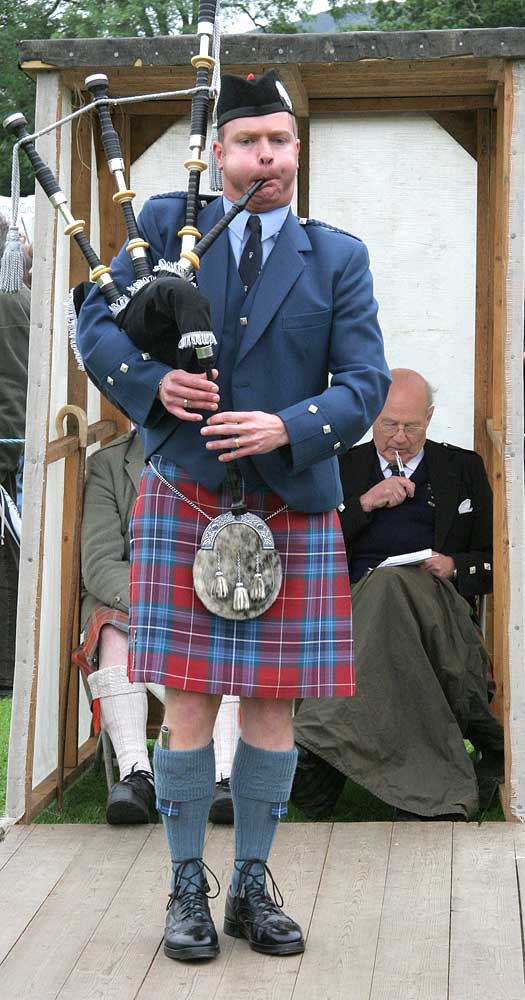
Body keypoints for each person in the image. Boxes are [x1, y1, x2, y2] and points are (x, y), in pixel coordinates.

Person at [77, 69, 390, 961]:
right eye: (251, 143)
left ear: (297, 151)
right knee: (185, 705)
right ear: (219, 155)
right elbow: (94, 323)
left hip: (290, 501)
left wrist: (287, 426)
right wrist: (152, 385)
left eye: (282, 143)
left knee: (270, 712)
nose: (268, 158)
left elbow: (365, 383)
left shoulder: (337, 257)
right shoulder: (161, 232)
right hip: (187, 493)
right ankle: (186, 888)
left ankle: (251, 883)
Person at [293, 368, 504, 821]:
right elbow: (308, 549)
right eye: (390, 425)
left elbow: (496, 556)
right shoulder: (343, 467)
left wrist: (456, 566)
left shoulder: (462, 468)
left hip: (438, 611)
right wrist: (365, 504)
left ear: (430, 419)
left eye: (412, 426)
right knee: (383, 592)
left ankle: (320, 741)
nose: (400, 438)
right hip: (356, 610)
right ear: (372, 418)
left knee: (392, 588)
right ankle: (422, 785)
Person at [74, 428, 239, 825]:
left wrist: (196, 600)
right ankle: (136, 776)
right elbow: (99, 563)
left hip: (206, 597)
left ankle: (225, 777)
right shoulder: (107, 466)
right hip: (131, 601)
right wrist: (159, 605)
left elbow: (235, 541)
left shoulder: (223, 456)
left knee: (236, 626)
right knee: (111, 630)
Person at [0, 214, 31, 695]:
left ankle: (6, 671)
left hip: (6, 444)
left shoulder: (7, 295)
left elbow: (10, 385)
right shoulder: (13, 293)